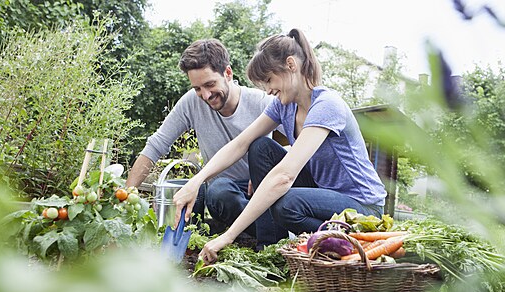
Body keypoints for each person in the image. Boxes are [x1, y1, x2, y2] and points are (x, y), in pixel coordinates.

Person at [172, 29, 387, 264]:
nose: (268, 90)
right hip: (324, 191)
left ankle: (352, 240)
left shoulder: (327, 105)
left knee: (287, 204)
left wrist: (228, 236)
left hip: (362, 206)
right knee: (260, 147)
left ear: (291, 65)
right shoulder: (283, 105)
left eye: (269, 80)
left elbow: (284, 176)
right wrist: (197, 181)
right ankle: (269, 249)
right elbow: (241, 143)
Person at [126, 38, 281, 246]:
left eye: (209, 84)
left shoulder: (262, 101)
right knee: (218, 192)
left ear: (228, 73)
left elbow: (297, 144)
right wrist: (126, 197)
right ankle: (263, 229)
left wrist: (269, 171)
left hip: (261, 191)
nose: (206, 95)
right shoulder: (191, 103)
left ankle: (269, 231)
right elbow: (155, 146)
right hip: (224, 192)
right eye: (198, 88)